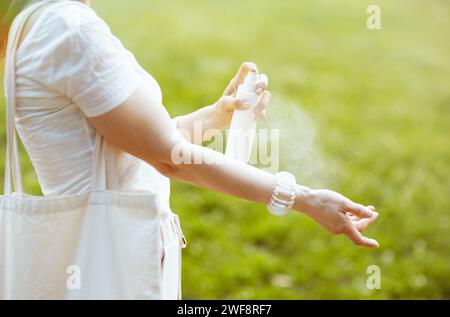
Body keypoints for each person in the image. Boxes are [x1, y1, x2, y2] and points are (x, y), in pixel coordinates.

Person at [1, 0, 379, 297]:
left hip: (102, 255)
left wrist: (217, 117)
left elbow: (137, 145)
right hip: (115, 258)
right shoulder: (69, 29)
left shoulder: (35, 26)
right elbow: (170, 158)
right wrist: (304, 198)